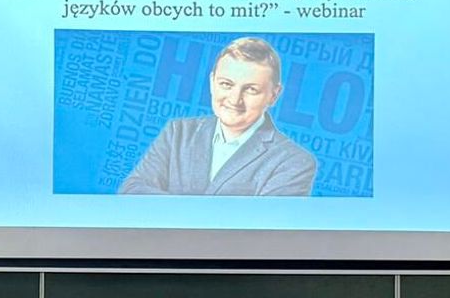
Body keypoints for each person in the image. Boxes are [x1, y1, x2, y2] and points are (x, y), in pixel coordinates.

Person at [118, 37, 317, 197]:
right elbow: (132, 191)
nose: (235, 99)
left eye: (251, 89)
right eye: (226, 84)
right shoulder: (177, 132)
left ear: (274, 95)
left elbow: (266, 225)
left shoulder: (295, 162)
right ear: (212, 82)